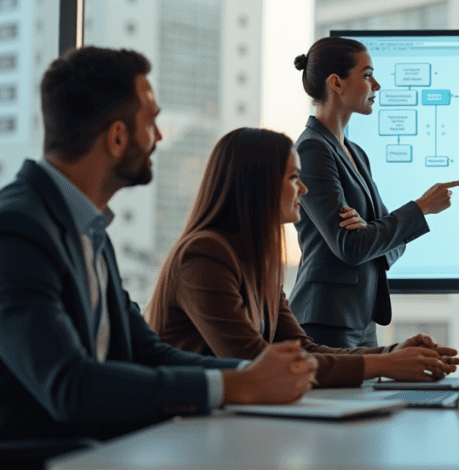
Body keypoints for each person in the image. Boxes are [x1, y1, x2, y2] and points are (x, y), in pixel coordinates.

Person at [0, 47, 318, 441]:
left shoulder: (88, 228)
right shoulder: (16, 229)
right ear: (118, 136)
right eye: (151, 122)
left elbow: (147, 352)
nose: (159, 137)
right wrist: (237, 387)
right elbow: (69, 385)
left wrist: (249, 373)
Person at [146, 127, 459, 385]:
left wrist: (395, 353)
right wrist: (386, 363)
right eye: (293, 178)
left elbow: (304, 349)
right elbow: (258, 363)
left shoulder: (259, 263)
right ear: (260, 186)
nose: (304, 190)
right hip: (188, 432)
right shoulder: (204, 256)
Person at [290, 37, 459, 348]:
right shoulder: (312, 149)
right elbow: (352, 247)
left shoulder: (355, 152)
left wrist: (371, 233)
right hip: (327, 319)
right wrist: (420, 208)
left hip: (361, 318)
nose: (378, 86)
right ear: (336, 83)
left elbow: (386, 245)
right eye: (368, 75)